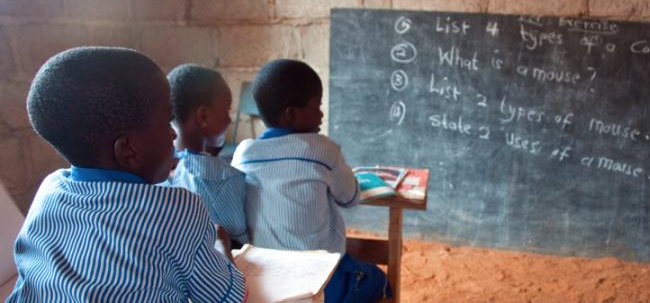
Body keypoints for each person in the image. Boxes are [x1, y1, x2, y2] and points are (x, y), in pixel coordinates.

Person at [8, 47, 246, 302]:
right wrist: (222, 248)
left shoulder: (48, 191)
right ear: (129, 150)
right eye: (167, 123)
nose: (173, 134)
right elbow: (227, 298)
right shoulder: (178, 210)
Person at [232, 58, 391, 302]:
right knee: (380, 283)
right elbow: (349, 197)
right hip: (321, 281)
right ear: (292, 115)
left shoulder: (243, 153)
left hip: (266, 283)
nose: (321, 113)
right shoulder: (322, 150)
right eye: (316, 105)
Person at [165, 64, 248, 257]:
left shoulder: (159, 171)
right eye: (226, 111)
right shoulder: (225, 178)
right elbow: (243, 244)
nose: (229, 120)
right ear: (203, 116)